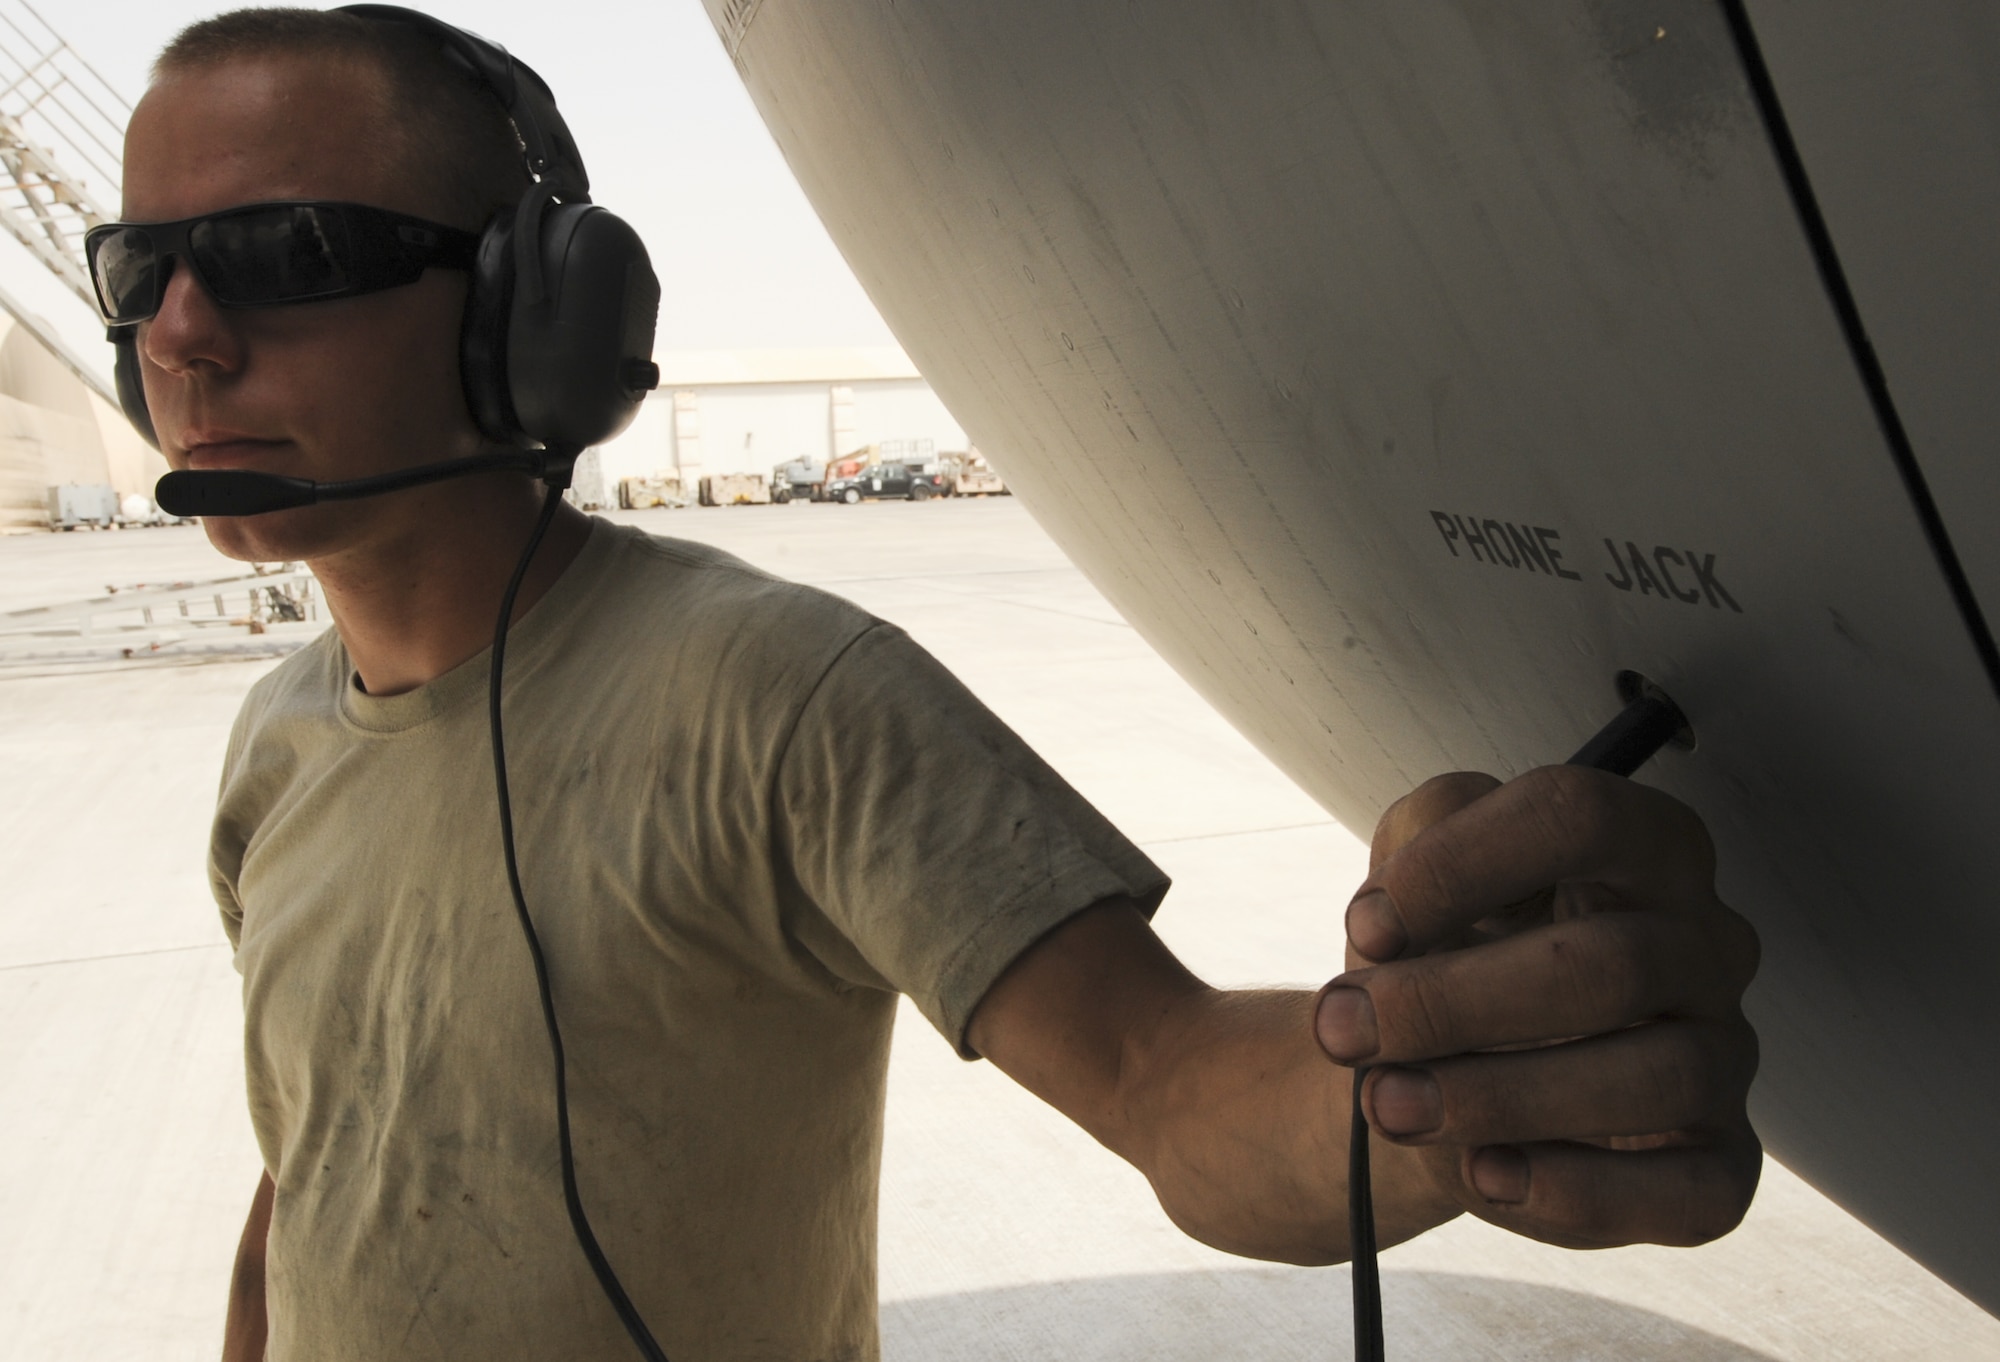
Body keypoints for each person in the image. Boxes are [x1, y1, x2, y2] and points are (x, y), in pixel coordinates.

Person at [107, 9, 1763, 1360]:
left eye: (284, 252)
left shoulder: (778, 694)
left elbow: (1161, 1075)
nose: (180, 337)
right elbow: (311, 1170)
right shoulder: (275, 751)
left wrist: (1437, 1074)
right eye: (141, 269)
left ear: (524, 311)